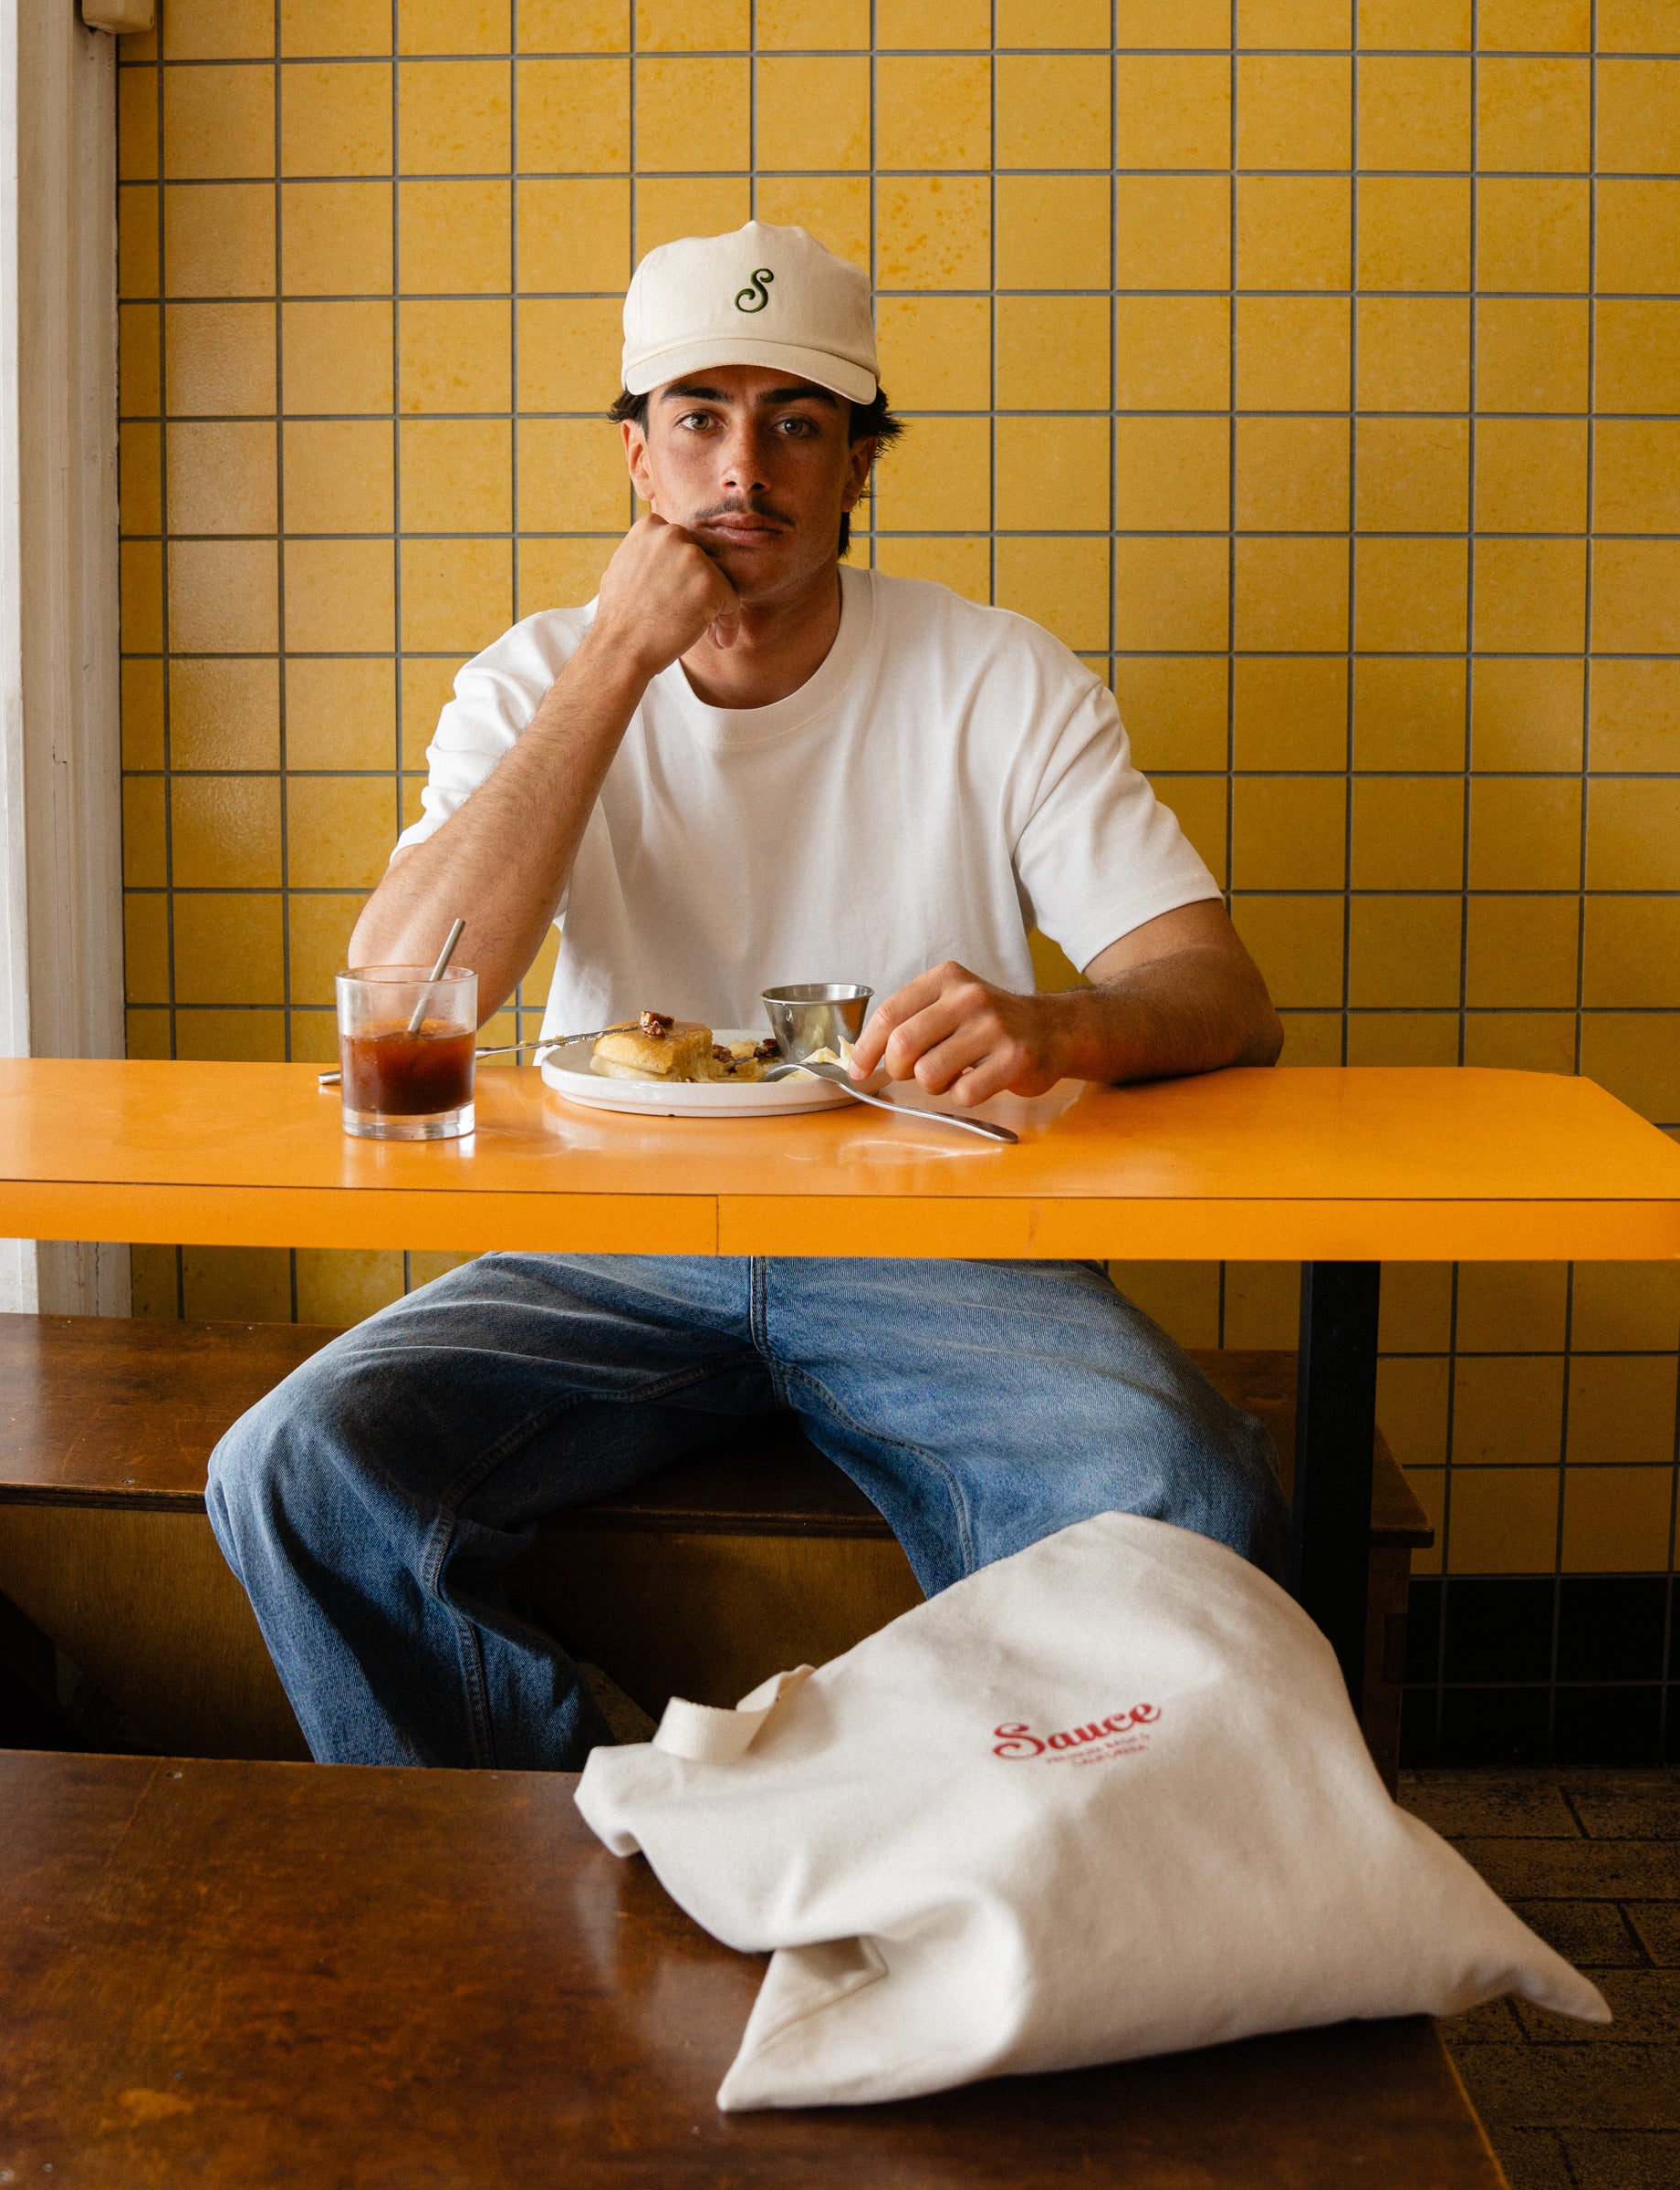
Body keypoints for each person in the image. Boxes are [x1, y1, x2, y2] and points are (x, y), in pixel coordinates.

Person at [208, 222, 1291, 1771]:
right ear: (636, 461)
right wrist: (617, 664)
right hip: (609, 1248)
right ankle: (556, 1852)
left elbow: (1219, 995)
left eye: (798, 421)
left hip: (939, 1239)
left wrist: (1061, 1025)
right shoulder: (534, 679)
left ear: (858, 467)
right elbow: (410, 999)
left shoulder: (999, 675)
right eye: (700, 417)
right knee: (291, 1469)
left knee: (1194, 1489)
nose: (747, 468)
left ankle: (986, 1858)